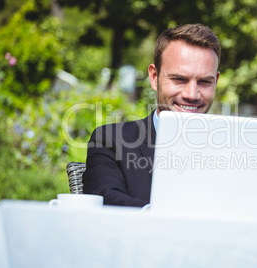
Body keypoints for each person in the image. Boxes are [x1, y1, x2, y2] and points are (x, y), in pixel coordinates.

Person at [82, 24, 221, 206]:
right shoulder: (111, 141)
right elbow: (104, 198)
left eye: (204, 82)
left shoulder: (237, 150)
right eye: (179, 79)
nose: (191, 94)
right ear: (154, 77)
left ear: (216, 81)